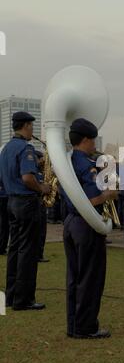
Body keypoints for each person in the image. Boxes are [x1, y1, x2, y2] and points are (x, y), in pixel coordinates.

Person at [61, 118, 117, 339]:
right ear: (85, 140)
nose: (94, 144)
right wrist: (109, 194)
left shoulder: (67, 162)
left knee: (74, 277)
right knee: (90, 278)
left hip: (71, 223)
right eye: (92, 140)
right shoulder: (86, 165)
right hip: (86, 224)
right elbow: (90, 199)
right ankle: (86, 327)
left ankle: (74, 325)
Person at [0, 112, 50, 310]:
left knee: (15, 249)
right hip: (26, 203)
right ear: (26, 126)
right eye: (31, 126)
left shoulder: (6, 149)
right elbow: (28, 178)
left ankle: (12, 296)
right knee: (28, 252)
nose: (33, 130)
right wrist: (42, 188)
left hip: (11, 201)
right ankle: (24, 300)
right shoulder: (25, 148)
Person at [35, 150, 49, 263]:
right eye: (41, 158)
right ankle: (37, 254)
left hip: (41, 204)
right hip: (36, 204)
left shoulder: (41, 171)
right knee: (38, 231)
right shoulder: (34, 172)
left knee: (42, 231)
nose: (43, 161)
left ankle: (39, 253)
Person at [0, 182, 9, 255]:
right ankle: (2, 248)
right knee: (4, 224)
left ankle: (2, 247)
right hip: (4, 197)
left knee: (4, 224)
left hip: (4, 196)